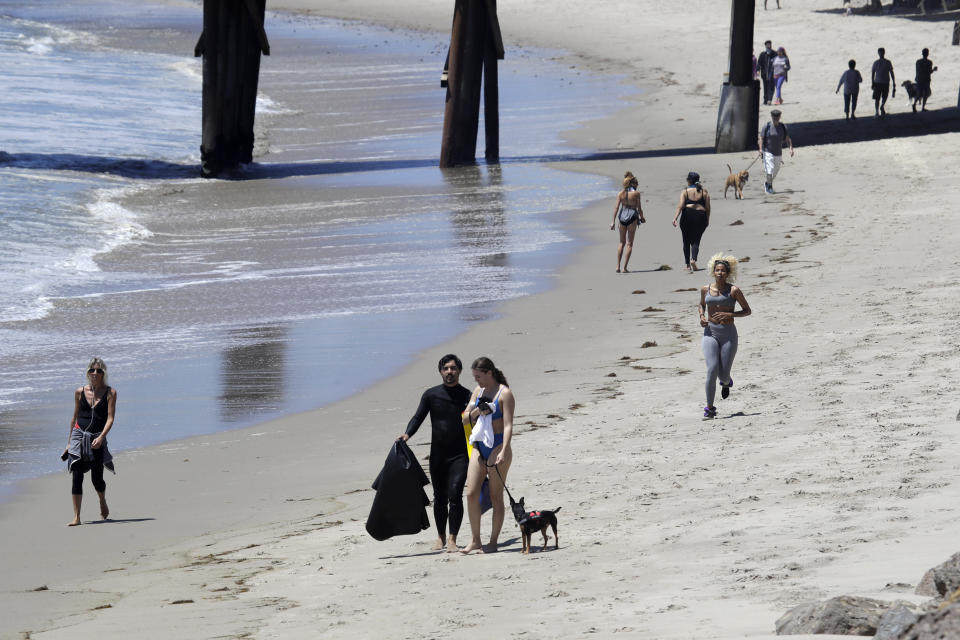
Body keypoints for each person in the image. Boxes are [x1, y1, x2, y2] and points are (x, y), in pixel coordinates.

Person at [397, 354, 472, 551]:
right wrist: (407, 434)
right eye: (446, 368)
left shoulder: (467, 395)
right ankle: (440, 537)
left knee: (455, 495)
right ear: (440, 372)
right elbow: (418, 417)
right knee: (439, 498)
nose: (450, 372)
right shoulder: (431, 395)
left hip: (460, 455)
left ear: (459, 371)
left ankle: (453, 539)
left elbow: (476, 423)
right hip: (438, 455)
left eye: (453, 368)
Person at [460, 357, 514, 554]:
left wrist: (504, 449)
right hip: (479, 446)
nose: (477, 382)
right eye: (474, 378)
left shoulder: (504, 393)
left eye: (479, 377)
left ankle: (493, 541)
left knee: (495, 495)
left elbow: (508, 425)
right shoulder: (478, 392)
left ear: (489, 373)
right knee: (471, 493)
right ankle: (475, 539)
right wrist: (476, 411)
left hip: (498, 446)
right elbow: (465, 418)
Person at [63, 357, 117, 526]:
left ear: (103, 373)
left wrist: (101, 438)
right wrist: (69, 442)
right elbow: (74, 418)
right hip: (79, 437)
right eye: (92, 370)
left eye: (99, 370)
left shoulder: (110, 393)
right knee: (77, 475)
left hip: (97, 438)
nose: (95, 373)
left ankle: (102, 501)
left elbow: (110, 418)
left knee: (97, 479)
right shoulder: (79, 392)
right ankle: (77, 517)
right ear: (87, 372)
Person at [698, 254, 752, 419]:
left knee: (723, 375)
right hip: (710, 333)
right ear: (713, 272)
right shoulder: (705, 289)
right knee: (712, 369)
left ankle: (726, 382)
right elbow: (701, 305)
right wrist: (701, 316)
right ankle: (709, 408)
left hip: (728, 334)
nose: (720, 273)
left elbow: (747, 311)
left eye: (723, 271)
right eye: (717, 270)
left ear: (728, 273)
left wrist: (732, 315)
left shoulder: (734, 290)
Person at [672, 171, 710, 273]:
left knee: (686, 240)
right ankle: (693, 259)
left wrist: (675, 218)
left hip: (687, 215)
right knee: (696, 240)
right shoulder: (704, 192)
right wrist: (707, 220)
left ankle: (688, 265)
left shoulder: (685, 191)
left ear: (689, 181)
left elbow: (680, 206)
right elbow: (708, 208)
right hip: (700, 216)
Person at [611, 173, 645, 273]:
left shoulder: (620, 193)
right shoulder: (636, 194)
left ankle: (617, 266)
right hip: (632, 218)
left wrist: (612, 221)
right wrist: (642, 218)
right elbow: (639, 208)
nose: (637, 184)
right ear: (632, 184)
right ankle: (625, 268)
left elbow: (616, 208)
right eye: (636, 183)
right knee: (629, 244)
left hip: (622, 217)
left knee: (621, 243)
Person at [758, 109, 794, 194]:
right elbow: (761, 138)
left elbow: (788, 139)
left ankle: (767, 183)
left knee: (776, 170)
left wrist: (791, 149)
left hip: (778, 153)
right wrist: (760, 149)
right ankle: (769, 187)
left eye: (777, 117)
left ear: (779, 117)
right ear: (772, 117)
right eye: (774, 117)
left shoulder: (782, 127)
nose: (776, 118)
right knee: (769, 170)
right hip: (768, 152)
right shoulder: (766, 127)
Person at [871, 47, 896, 116]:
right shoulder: (886, 62)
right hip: (882, 82)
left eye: (881, 52)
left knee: (881, 97)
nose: (881, 53)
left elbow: (873, 73)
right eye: (880, 52)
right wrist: (872, 82)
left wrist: (872, 82)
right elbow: (891, 73)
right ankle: (879, 109)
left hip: (881, 82)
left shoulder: (878, 62)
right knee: (880, 97)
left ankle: (879, 109)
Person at [914, 48, 937, 112]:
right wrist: (934, 70)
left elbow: (918, 70)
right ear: (927, 54)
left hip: (919, 79)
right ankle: (923, 107)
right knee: (926, 94)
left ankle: (914, 104)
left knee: (919, 93)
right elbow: (929, 71)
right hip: (926, 79)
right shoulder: (929, 62)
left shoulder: (918, 62)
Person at [757, 40, 776, 105]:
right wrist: (758, 70)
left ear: (771, 45)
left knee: (771, 87)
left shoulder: (774, 54)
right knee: (765, 87)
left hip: (772, 74)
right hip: (764, 74)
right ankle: (765, 100)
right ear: (765, 45)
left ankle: (769, 99)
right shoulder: (762, 54)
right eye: (767, 44)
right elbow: (759, 63)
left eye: (769, 44)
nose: (768, 45)